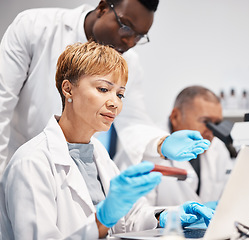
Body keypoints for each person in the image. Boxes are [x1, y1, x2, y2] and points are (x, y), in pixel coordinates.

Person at [0, 42, 214, 240]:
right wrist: (101, 220)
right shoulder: (32, 163)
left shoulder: (97, 153)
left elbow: (127, 219)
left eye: (120, 94)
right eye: (103, 89)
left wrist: (168, 216)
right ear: (68, 89)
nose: (114, 103)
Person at [0, 0, 210, 175]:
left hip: (74, 171)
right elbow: (2, 103)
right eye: (126, 27)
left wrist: (162, 142)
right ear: (102, 8)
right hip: (19, 163)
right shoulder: (35, 26)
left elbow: (132, 122)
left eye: (139, 36)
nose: (129, 41)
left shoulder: (130, 62)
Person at [123, 86, 235, 207]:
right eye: (205, 121)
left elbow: (229, 190)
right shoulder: (144, 148)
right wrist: (173, 216)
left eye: (217, 123)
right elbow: (136, 215)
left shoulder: (217, 147)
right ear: (175, 116)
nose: (212, 131)